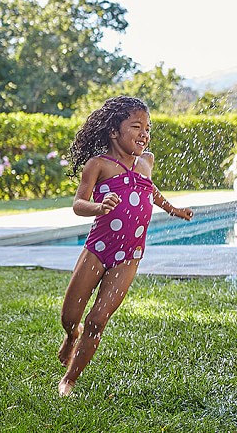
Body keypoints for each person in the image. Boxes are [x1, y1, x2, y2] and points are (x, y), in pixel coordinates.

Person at [57, 96, 193, 397]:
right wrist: (98, 206)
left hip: (129, 256)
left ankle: (70, 379)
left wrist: (173, 209)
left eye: (148, 128)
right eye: (136, 126)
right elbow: (79, 203)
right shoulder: (98, 165)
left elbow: (150, 190)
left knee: (97, 319)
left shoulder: (147, 162)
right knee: (70, 315)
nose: (144, 133)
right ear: (114, 132)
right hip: (98, 248)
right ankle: (70, 335)